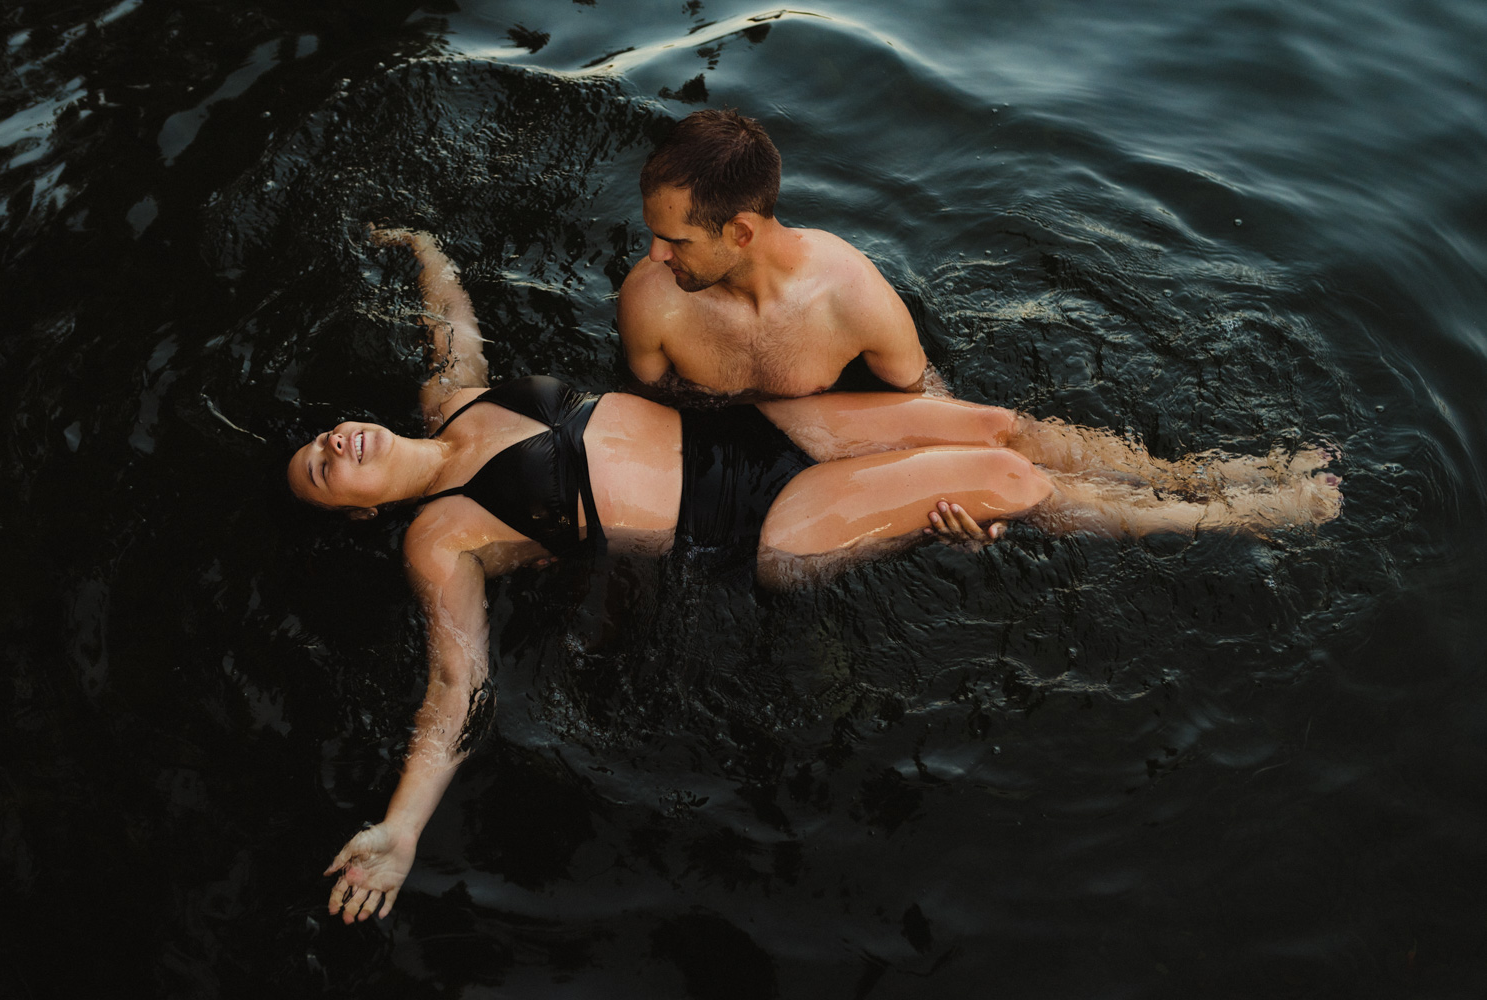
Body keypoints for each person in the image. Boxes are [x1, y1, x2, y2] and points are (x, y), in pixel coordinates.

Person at [292, 229, 1341, 923]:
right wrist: (400, 827)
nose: (332, 445)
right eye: (321, 473)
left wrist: (424, 251)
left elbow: (453, 324)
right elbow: (452, 687)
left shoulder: (456, 405)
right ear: (366, 510)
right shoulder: (440, 536)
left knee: (991, 421)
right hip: (749, 522)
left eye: (321, 439)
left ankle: (1197, 471)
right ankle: (1239, 514)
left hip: (760, 435)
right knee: (1008, 478)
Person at [617, 108, 944, 398]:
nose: (656, 254)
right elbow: (645, 411)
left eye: (677, 241)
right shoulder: (648, 302)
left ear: (741, 233)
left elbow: (928, 400)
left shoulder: (855, 297)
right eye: (654, 232)